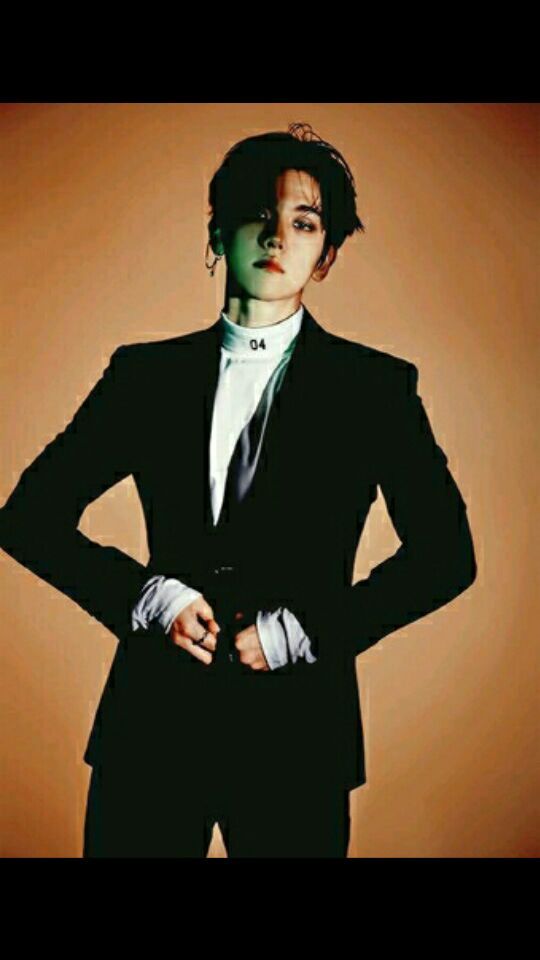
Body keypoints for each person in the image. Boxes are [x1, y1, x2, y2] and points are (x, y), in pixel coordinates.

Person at [0, 122, 477, 858]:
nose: (277, 235)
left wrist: (306, 631)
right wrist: (147, 596)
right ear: (218, 231)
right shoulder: (144, 378)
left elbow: (446, 556)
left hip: (297, 740)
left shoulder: (375, 391)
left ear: (327, 254)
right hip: (150, 730)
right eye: (257, 212)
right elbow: (28, 518)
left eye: (304, 222)